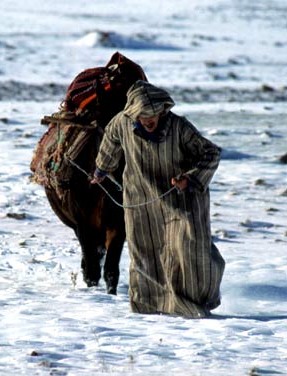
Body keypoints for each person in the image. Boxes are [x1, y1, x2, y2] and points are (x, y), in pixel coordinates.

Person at [91, 80, 225, 318]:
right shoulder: (121, 123)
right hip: (141, 200)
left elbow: (211, 153)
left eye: (154, 114)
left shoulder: (179, 128)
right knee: (145, 253)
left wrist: (191, 178)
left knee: (189, 251)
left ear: (163, 110)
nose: (149, 119)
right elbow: (110, 144)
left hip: (182, 199)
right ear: (134, 113)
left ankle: (193, 304)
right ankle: (149, 305)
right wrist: (102, 170)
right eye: (143, 115)